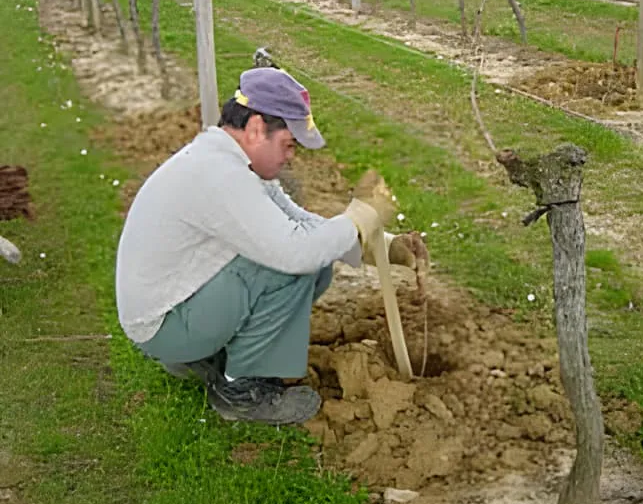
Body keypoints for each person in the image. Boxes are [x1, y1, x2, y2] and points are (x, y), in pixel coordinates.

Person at [114, 66, 427, 426]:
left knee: (313, 261)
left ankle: (209, 356)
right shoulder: (221, 176)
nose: (290, 156)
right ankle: (242, 391)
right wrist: (358, 216)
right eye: (287, 144)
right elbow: (295, 253)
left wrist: (382, 246)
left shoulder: (231, 165)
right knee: (290, 268)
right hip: (164, 326)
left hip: (171, 310)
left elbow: (302, 226)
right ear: (257, 128)